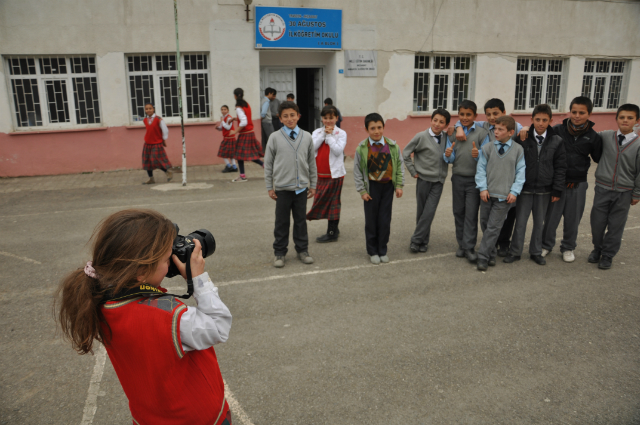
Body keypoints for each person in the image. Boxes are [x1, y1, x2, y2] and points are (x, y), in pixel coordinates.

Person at [55, 209, 232, 425]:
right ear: (140, 273)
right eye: (168, 259)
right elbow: (219, 326)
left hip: (148, 418)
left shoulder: (99, 301)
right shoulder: (171, 318)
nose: (172, 265)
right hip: (199, 418)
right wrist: (198, 279)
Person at [453, 98, 527, 256]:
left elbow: (523, 129)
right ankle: (488, 249)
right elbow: (466, 121)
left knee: (506, 217)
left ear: (504, 113)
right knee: (487, 219)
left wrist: (526, 127)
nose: (492, 117)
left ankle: (502, 244)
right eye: (489, 114)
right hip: (489, 180)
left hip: (507, 180)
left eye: (496, 113)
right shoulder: (484, 126)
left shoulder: (513, 126)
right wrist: (458, 127)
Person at [541, 96, 603, 262]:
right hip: (557, 182)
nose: (577, 115)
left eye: (581, 112)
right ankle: (546, 245)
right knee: (551, 217)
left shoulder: (593, 136)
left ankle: (568, 247)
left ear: (589, 114)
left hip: (578, 184)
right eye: (574, 111)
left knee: (573, 218)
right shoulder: (557, 130)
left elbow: (598, 158)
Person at [504, 104, 566, 266]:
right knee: (521, 223)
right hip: (524, 188)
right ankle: (515, 251)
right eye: (537, 119)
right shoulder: (522, 138)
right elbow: (513, 162)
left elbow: (560, 167)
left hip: (544, 190)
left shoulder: (556, 141)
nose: (540, 123)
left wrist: (557, 189)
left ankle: (536, 252)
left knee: (539, 224)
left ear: (550, 121)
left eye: (544, 120)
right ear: (531, 120)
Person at [264, 101, 317, 268]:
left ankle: (303, 250)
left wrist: (313, 184)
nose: (289, 119)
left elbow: (311, 163)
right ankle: (279, 252)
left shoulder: (307, 137)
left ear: (298, 116)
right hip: (282, 189)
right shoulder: (274, 137)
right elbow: (269, 163)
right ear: (280, 118)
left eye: (292, 115)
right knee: (282, 222)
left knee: (301, 221)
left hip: (301, 188)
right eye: (285, 116)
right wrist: (269, 186)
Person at [588, 103, 640, 270]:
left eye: (630, 118)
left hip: (624, 192)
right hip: (602, 188)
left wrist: (637, 193)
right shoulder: (605, 136)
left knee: (616, 225)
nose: (625, 120)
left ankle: (608, 255)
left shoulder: (638, 144)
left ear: (637, 121)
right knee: (597, 223)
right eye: (622, 117)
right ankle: (597, 248)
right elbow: (587, 135)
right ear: (616, 119)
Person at [475, 116, 526, 271]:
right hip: (487, 194)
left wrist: (514, 191)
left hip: (504, 197)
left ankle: (482, 257)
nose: (496, 132)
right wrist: (482, 188)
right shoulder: (487, 148)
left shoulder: (518, 150)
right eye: (495, 129)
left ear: (511, 132)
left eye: (500, 129)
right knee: (485, 224)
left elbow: (520, 173)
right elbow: (480, 170)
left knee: (493, 227)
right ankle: (491, 253)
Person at [354, 113, 404, 265]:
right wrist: (362, 191)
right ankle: (372, 251)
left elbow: (400, 166)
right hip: (371, 188)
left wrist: (399, 185)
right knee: (371, 221)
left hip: (387, 187)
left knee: (384, 220)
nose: (376, 131)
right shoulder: (362, 148)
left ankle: (382, 249)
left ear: (384, 127)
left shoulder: (393, 146)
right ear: (366, 129)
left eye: (379, 127)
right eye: (372, 128)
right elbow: (357, 171)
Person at [443, 100, 489, 263]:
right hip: (457, 178)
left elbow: (486, 157)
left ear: (475, 116)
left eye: (468, 114)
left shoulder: (482, 133)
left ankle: (469, 247)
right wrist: (448, 154)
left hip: (474, 181)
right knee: (458, 212)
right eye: (461, 114)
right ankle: (461, 244)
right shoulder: (454, 132)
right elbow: (450, 157)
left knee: (470, 214)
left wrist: (479, 156)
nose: (464, 117)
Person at [403, 107, 450, 253]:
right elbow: (405, 153)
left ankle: (415, 240)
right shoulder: (421, 136)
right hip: (423, 180)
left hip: (439, 181)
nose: (437, 124)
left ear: (446, 125)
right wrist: (413, 171)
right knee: (422, 211)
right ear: (430, 120)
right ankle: (423, 241)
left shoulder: (447, 138)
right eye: (435, 120)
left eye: (441, 122)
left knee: (429, 211)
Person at [307, 105, 347, 242]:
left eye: (331, 118)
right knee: (321, 201)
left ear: (336, 118)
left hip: (335, 175)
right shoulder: (316, 132)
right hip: (320, 174)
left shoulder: (341, 133)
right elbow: (312, 149)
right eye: (325, 118)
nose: (328, 121)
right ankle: (335, 228)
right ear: (322, 119)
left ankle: (331, 233)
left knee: (333, 203)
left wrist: (330, 136)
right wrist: (324, 134)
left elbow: (337, 151)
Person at [229, 88, 264, 183]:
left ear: (235, 96)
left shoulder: (238, 106)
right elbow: (245, 118)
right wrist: (236, 119)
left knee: (240, 155)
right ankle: (263, 165)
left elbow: (244, 122)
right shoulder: (246, 104)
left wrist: (235, 131)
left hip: (245, 134)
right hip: (250, 132)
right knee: (248, 154)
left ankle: (243, 176)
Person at [141, 103, 173, 185]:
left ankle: (167, 172)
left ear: (153, 109)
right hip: (147, 143)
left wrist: (164, 139)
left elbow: (165, 130)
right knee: (147, 161)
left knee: (154, 159)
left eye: (150, 108)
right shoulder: (145, 120)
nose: (148, 110)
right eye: (146, 109)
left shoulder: (158, 119)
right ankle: (151, 178)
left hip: (156, 143)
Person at [215, 104, 238, 173]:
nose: (223, 111)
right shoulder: (223, 117)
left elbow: (228, 127)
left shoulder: (229, 118)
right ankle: (234, 167)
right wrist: (218, 128)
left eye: (225, 109)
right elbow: (223, 127)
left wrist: (222, 121)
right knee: (230, 154)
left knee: (223, 153)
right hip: (226, 138)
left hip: (230, 138)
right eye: (222, 109)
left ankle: (229, 166)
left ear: (228, 110)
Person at [260, 88, 276, 152]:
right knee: (272, 137)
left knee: (265, 138)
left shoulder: (262, 100)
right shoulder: (266, 101)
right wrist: (261, 118)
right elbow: (263, 113)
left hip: (264, 122)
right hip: (267, 122)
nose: (272, 96)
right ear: (269, 93)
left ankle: (265, 152)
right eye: (272, 94)